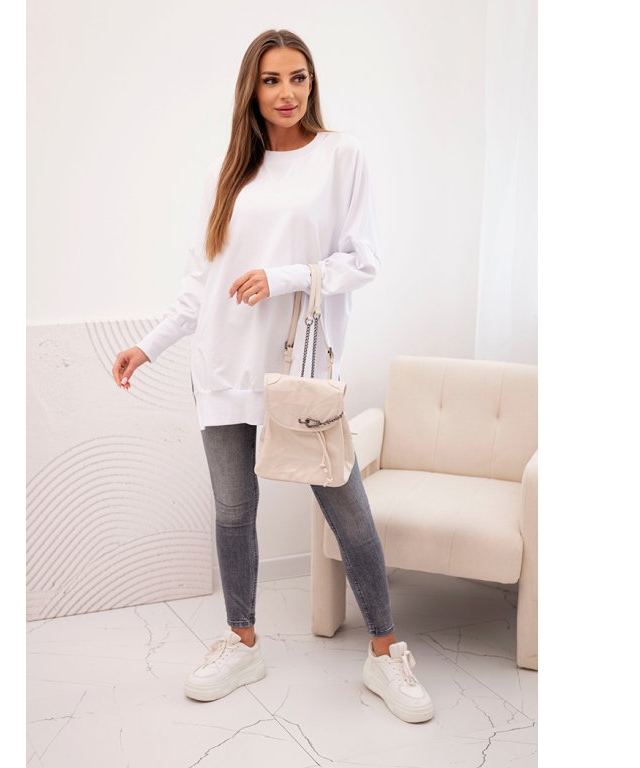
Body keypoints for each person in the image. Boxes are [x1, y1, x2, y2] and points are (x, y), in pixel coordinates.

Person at [112, 29, 434, 724]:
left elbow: (364, 261)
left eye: (298, 77)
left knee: (348, 511)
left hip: (299, 371)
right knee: (234, 513)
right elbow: (201, 284)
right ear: (251, 90)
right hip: (222, 365)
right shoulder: (230, 170)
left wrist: (283, 276)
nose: (287, 93)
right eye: (271, 80)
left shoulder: (341, 156)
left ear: (312, 83)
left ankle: (385, 652)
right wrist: (148, 346)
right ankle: (242, 641)